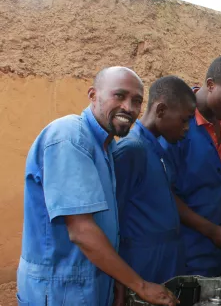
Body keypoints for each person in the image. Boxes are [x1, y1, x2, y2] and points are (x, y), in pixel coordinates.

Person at [17, 67, 177, 306]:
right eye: (119, 96)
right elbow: (81, 231)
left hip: (89, 284)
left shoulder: (105, 147)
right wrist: (140, 285)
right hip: (60, 289)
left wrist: (118, 282)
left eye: (136, 101)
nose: (129, 108)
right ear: (93, 95)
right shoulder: (69, 137)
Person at [161, 55, 221, 277]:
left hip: (215, 249)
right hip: (185, 250)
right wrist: (210, 231)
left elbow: (218, 177)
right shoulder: (177, 124)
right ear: (211, 85)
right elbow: (164, 193)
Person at [112, 76, 196, 303]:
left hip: (167, 263)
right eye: (184, 120)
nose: (187, 128)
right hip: (143, 266)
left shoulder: (159, 149)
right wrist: (120, 281)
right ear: (160, 110)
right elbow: (113, 222)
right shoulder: (131, 150)